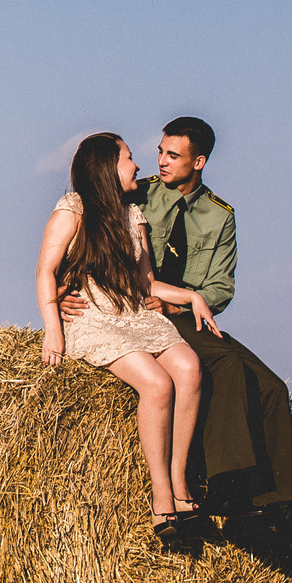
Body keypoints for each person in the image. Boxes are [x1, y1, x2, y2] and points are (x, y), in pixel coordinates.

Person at [60, 115, 292, 567]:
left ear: (199, 162)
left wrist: (184, 305)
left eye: (172, 155)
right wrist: (66, 290)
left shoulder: (219, 216)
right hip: (138, 310)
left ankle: (282, 509)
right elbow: (87, 227)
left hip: (179, 312)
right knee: (224, 369)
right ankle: (234, 504)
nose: (158, 162)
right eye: (157, 152)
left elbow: (220, 287)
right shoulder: (139, 196)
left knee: (272, 388)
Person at [36, 131, 225, 550]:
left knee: (190, 369)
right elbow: (45, 272)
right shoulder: (72, 211)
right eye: (128, 158)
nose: (137, 165)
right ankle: (161, 499)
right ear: (106, 167)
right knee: (157, 385)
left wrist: (193, 297)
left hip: (134, 313)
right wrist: (53, 329)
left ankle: (180, 480)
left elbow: (146, 284)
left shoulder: (132, 216)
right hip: (94, 317)